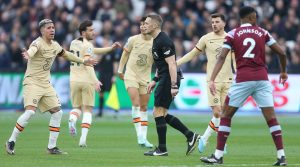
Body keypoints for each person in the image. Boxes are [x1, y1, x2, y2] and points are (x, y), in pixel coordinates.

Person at [200, 6, 288, 166]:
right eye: (256, 17)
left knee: (225, 116)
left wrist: (212, 78)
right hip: (262, 79)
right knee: (272, 119)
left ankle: (218, 157)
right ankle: (281, 156)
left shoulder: (232, 34)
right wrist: (283, 72)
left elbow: (221, 58)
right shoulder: (263, 32)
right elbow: (281, 53)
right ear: (252, 17)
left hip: (243, 79)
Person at [5, 19, 97, 155]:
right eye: (49, 28)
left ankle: (51, 147)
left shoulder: (55, 45)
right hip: (32, 82)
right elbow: (32, 50)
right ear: (42, 31)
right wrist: (27, 54)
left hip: (45, 83)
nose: (52, 30)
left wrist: (83, 60)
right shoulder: (37, 43)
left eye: (53, 27)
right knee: (30, 112)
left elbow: (66, 55)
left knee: (58, 112)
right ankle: (11, 141)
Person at [143, 13, 200, 156]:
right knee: (163, 114)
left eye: (147, 23)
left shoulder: (163, 40)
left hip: (169, 79)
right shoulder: (156, 40)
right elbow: (162, 64)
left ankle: (162, 149)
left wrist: (173, 85)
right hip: (164, 78)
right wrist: (154, 80)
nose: (144, 25)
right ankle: (190, 135)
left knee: (157, 113)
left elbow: (172, 64)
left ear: (155, 25)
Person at [177, 13, 235, 153]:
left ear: (224, 23)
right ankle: (217, 141)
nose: (214, 24)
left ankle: (205, 138)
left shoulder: (230, 39)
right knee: (217, 112)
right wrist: (175, 63)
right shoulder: (206, 38)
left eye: (217, 22)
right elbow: (192, 54)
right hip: (212, 82)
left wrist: (239, 76)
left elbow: (235, 59)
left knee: (224, 115)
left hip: (228, 81)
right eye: (212, 22)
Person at [68, 20, 121, 147]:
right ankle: (83, 139)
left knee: (77, 108)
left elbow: (94, 50)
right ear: (83, 32)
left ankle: (73, 119)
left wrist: (110, 48)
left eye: (94, 29)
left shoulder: (73, 43)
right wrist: (95, 80)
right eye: (90, 30)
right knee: (88, 110)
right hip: (86, 80)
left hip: (74, 80)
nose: (94, 32)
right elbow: (88, 65)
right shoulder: (88, 45)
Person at [118, 16, 153, 148]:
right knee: (136, 103)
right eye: (141, 24)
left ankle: (144, 137)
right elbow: (125, 55)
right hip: (131, 75)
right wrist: (120, 70)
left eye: (145, 24)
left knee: (144, 107)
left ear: (151, 26)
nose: (143, 26)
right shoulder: (133, 39)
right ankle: (139, 135)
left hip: (146, 78)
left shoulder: (156, 42)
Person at [96, 37, 120, 118]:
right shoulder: (101, 52)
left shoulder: (112, 52)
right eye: (104, 42)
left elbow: (115, 64)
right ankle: (100, 112)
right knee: (101, 93)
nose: (104, 44)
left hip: (110, 75)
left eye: (106, 42)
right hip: (102, 75)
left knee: (112, 93)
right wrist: (102, 52)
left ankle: (115, 111)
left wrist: (114, 75)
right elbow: (97, 60)